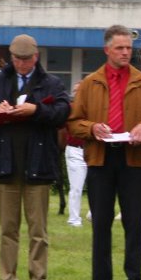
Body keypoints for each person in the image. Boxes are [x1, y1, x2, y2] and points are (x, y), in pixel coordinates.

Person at [66, 24, 141, 280]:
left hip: (133, 159)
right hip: (100, 159)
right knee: (101, 222)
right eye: (120, 48)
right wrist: (92, 128)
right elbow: (74, 122)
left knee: (134, 222)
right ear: (107, 49)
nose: (126, 53)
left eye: (129, 48)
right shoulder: (90, 83)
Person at [0, 34, 70, 280]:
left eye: (26, 59)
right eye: (17, 59)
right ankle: (7, 278)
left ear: (35, 57)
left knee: (38, 229)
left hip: (38, 165)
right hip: (6, 163)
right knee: (8, 228)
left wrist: (35, 111)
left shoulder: (51, 83)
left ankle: (37, 279)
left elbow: (63, 113)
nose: (21, 64)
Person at [63, 82, 87, 227]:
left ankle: (93, 214)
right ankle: (74, 218)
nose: (77, 94)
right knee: (76, 187)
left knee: (98, 186)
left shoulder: (92, 108)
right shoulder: (70, 109)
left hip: (92, 150)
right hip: (75, 150)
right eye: (75, 91)